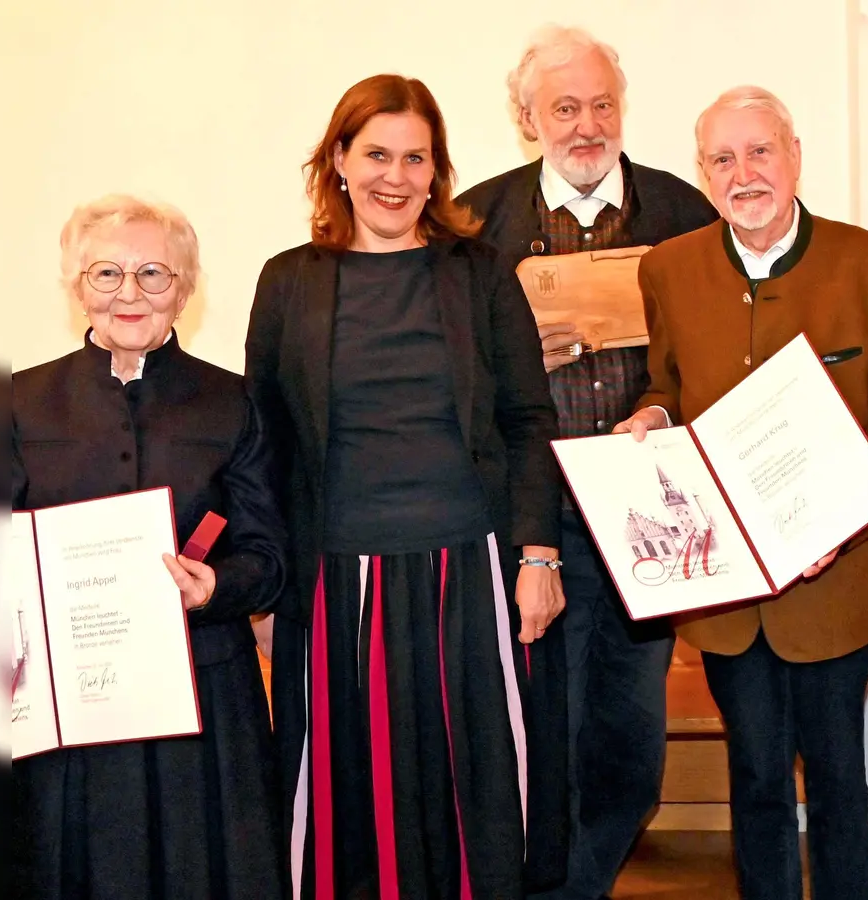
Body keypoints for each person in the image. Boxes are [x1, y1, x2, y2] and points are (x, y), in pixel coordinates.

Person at [613, 86, 868, 900]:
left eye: (760, 151)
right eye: (722, 159)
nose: (744, 174)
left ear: (795, 156)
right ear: (703, 172)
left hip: (836, 580)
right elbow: (668, 387)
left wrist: (837, 516)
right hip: (726, 590)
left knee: (836, 775)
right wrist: (652, 417)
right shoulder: (669, 269)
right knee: (756, 774)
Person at [246, 75, 567, 898]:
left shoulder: (481, 273)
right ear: (339, 162)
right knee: (349, 802)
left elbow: (529, 419)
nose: (396, 176)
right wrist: (269, 592)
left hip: (470, 571)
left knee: (476, 793)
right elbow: (265, 445)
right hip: (333, 580)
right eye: (377, 155)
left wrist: (539, 555)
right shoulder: (287, 282)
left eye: (415, 158)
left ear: (437, 170)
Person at [457, 26, 718, 898]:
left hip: (647, 516)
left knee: (630, 740)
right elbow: (444, 369)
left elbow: (721, 347)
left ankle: (585, 882)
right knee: (540, 729)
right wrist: (510, 356)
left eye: (602, 105)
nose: (587, 125)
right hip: (529, 517)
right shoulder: (474, 224)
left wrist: (666, 405)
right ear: (526, 117)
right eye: (565, 107)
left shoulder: (683, 212)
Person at [13, 194, 286, 899]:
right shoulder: (18, 403)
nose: (129, 293)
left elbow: (268, 557)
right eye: (107, 273)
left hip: (204, 691)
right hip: (71, 707)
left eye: (153, 273)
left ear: (184, 288)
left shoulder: (234, 401)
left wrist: (213, 587)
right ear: (78, 287)